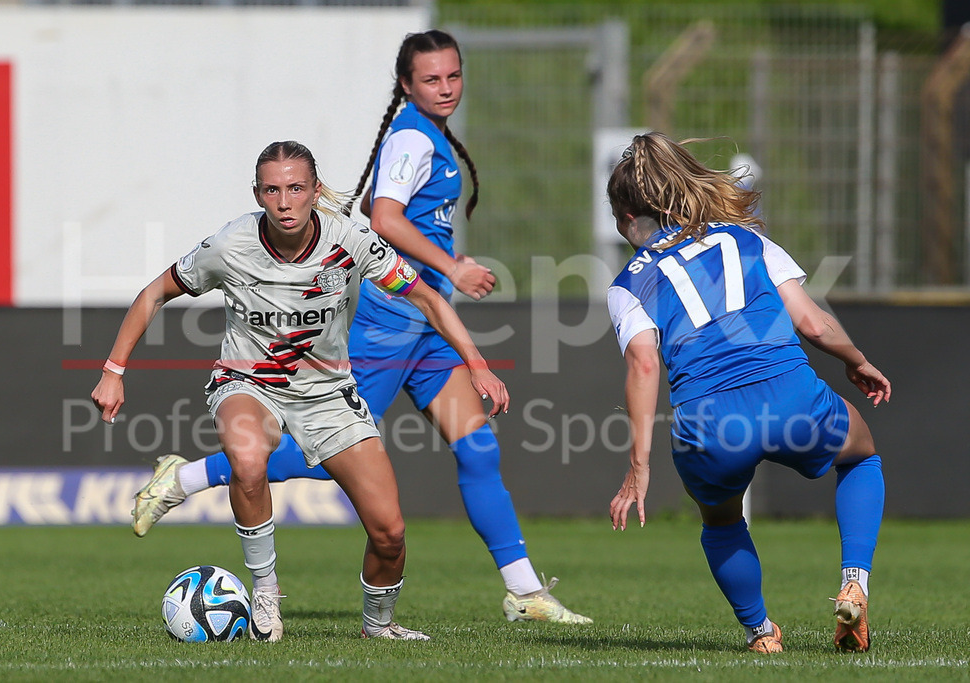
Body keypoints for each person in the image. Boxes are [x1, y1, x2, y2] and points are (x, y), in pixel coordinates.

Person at [131, 29, 591, 625]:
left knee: (477, 447)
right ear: (406, 85)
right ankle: (186, 477)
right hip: (388, 322)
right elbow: (384, 216)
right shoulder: (410, 139)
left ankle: (523, 590)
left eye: (454, 76)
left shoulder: (431, 136)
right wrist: (452, 264)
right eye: (431, 79)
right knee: (327, 449)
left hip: (424, 328)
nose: (445, 88)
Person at [93, 140, 510, 642]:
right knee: (249, 459)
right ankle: (266, 594)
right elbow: (155, 292)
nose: (284, 202)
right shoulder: (231, 245)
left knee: (390, 532)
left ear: (315, 191)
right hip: (247, 383)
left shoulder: (351, 241)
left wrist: (477, 363)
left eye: (295, 188)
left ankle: (379, 625)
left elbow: (424, 295)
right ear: (257, 193)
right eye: (272, 190)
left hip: (329, 394)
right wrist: (114, 369)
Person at [605, 132, 887, 653]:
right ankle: (854, 583)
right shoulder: (746, 239)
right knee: (862, 456)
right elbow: (815, 324)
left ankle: (761, 633)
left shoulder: (628, 283)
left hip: (709, 424)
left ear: (627, 221)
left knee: (720, 519)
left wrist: (639, 467)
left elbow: (644, 364)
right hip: (791, 397)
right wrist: (858, 361)